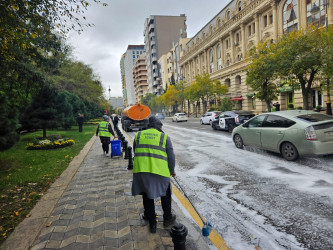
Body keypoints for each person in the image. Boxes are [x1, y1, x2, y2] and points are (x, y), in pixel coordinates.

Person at [131, 116, 176, 233]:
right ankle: (167, 219)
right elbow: (171, 157)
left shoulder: (139, 135)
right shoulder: (164, 137)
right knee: (166, 194)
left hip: (142, 171)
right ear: (159, 127)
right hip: (160, 172)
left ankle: (152, 224)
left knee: (147, 196)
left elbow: (135, 151)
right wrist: (171, 170)